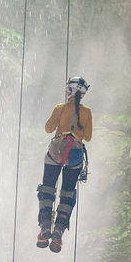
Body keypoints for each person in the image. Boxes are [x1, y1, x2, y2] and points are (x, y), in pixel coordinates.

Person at [36, 76, 92, 253]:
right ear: (82, 95)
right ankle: (59, 230)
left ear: (70, 91)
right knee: (67, 193)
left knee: (47, 188)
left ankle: (45, 225)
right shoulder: (87, 112)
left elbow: (48, 128)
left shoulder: (60, 108)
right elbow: (88, 137)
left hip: (56, 149)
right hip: (75, 153)